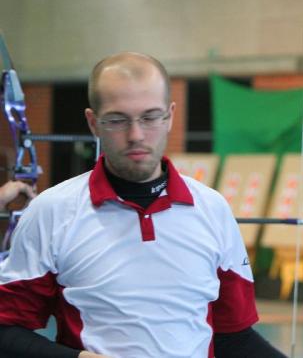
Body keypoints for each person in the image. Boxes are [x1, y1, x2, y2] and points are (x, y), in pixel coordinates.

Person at [0, 52, 285, 358]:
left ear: (170, 116)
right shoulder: (52, 212)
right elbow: (6, 331)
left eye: (150, 117)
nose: (136, 135)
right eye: (117, 120)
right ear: (94, 123)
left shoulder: (213, 209)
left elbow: (233, 337)